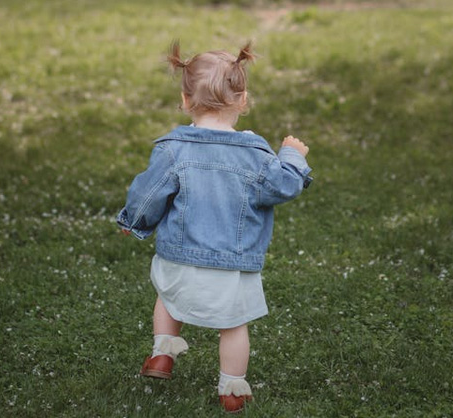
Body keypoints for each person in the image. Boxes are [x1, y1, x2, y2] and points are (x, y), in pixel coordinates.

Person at [116, 41, 312, 413]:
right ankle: (232, 390)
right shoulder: (256, 153)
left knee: (169, 299)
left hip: (179, 257)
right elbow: (283, 186)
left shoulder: (173, 149)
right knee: (234, 325)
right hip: (232, 265)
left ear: (185, 100)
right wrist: (292, 155)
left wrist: (134, 221)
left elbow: (149, 192)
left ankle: (162, 353)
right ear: (242, 100)